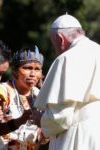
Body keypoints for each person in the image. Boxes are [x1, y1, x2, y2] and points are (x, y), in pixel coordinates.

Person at [34, 14, 100, 150]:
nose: (55, 49)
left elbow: (61, 117)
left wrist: (41, 120)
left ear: (60, 39)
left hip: (78, 137)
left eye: (54, 45)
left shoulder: (66, 59)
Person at [0, 46, 48, 150]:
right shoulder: (2, 91)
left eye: (37, 69)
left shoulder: (39, 95)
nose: (32, 74)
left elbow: (43, 137)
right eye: (27, 68)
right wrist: (20, 120)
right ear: (15, 71)